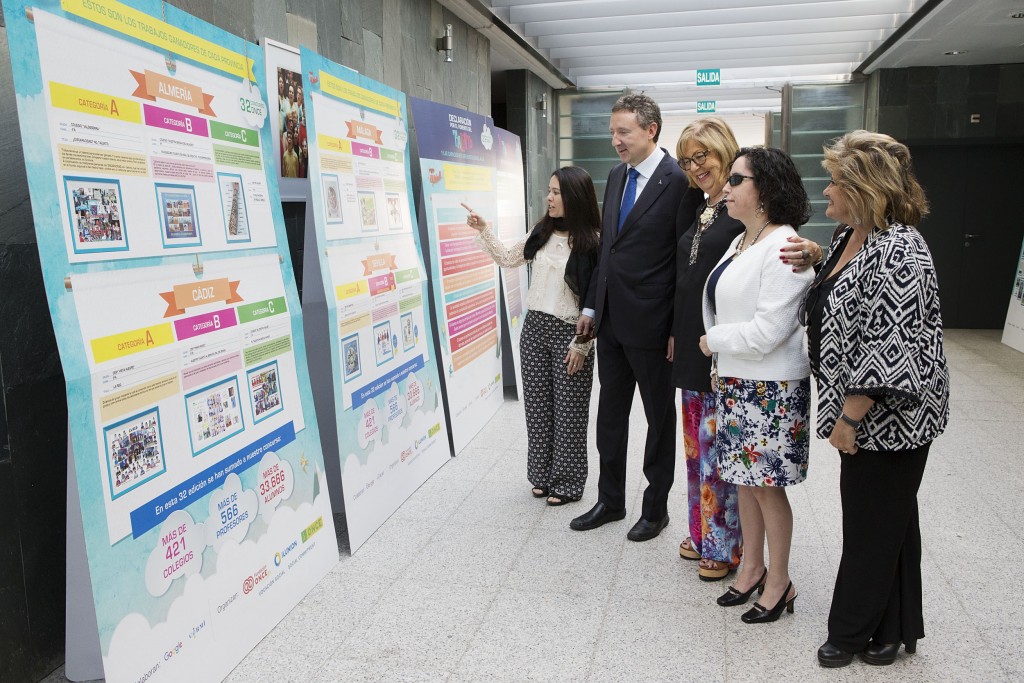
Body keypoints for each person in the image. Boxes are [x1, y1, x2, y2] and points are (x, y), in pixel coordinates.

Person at [807, 131, 949, 668]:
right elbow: (840, 296)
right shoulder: (852, 235)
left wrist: (848, 419)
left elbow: (889, 348)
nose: (826, 191)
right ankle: (891, 628)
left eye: (836, 182)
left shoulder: (901, 250)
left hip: (886, 420)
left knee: (869, 524)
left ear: (865, 188)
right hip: (866, 415)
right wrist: (814, 257)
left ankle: (848, 633)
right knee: (890, 519)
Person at [571, 93, 698, 541]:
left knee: (659, 421)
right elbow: (609, 248)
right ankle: (609, 500)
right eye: (612, 133)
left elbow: (685, 260)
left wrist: (676, 329)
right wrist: (591, 305)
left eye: (623, 132)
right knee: (610, 417)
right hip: (610, 322)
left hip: (653, 324)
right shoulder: (615, 176)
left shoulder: (679, 182)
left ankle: (655, 508)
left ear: (651, 130)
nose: (616, 141)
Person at [700, 146, 812, 623]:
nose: (726, 188)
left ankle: (780, 582)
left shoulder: (784, 246)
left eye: (737, 180)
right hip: (738, 379)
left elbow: (771, 331)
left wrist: (713, 341)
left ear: (763, 190)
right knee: (744, 482)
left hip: (769, 387)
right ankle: (750, 569)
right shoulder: (745, 238)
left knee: (767, 488)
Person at [463, 166, 601, 505]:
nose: (549, 198)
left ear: (575, 197)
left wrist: (583, 344)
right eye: (549, 191)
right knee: (538, 409)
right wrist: (485, 231)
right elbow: (509, 258)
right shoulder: (541, 231)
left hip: (572, 332)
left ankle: (567, 483)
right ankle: (540, 475)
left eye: (557, 192)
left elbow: (597, 298)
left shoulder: (593, 241)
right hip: (535, 329)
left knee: (569, 412)